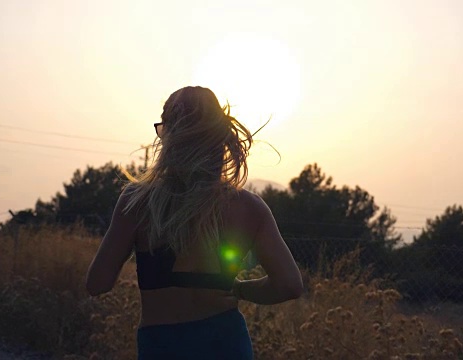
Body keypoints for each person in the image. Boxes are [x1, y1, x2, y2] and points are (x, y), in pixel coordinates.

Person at [86, 86, 303, 359]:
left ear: (171, 136)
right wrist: (239, 288)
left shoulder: (137, 201)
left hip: (163, 347)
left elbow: (97, 284)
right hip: (228, 345)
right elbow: (290, 285)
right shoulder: (249, 207)